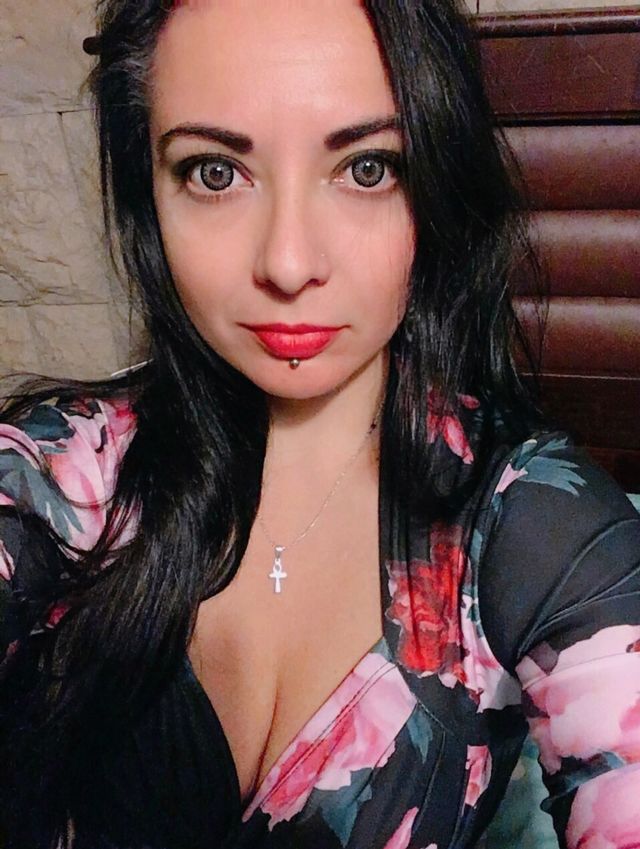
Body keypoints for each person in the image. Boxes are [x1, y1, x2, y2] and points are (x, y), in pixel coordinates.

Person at [0, 1, 638, 847]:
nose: (289, 262)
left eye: (367, 168)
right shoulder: (60, 471)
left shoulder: (540, 527)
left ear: (437, 184)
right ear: (149, 193)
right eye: (216, 173)